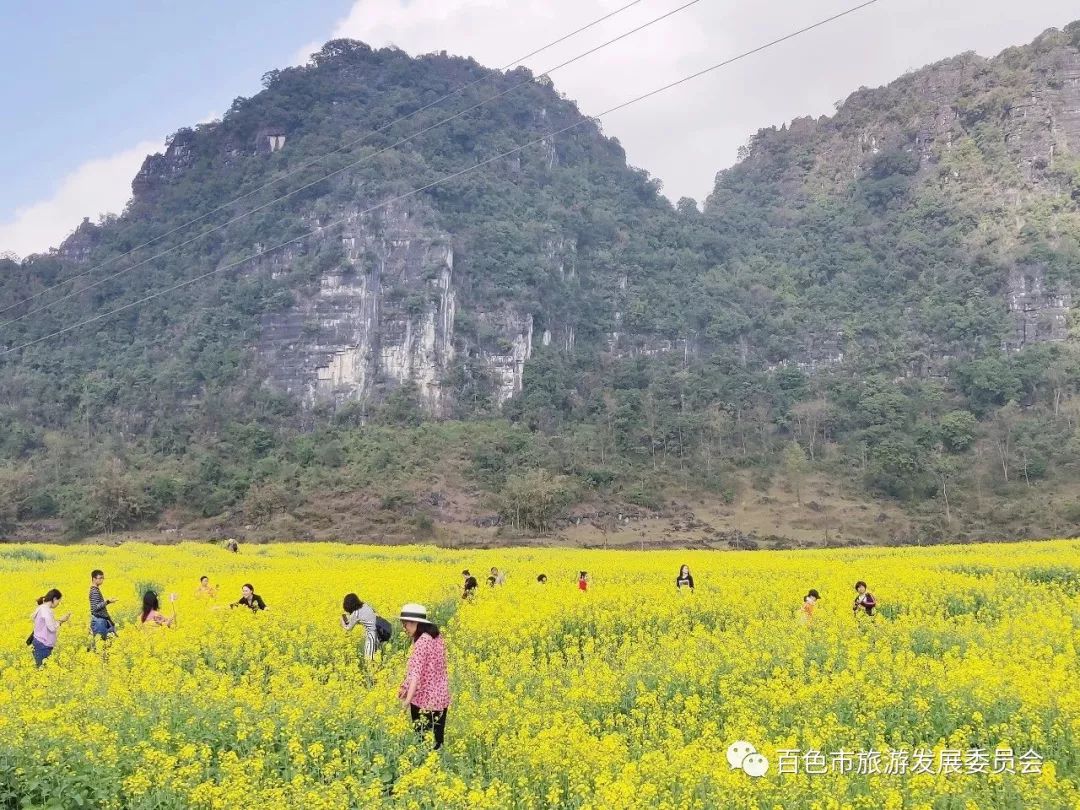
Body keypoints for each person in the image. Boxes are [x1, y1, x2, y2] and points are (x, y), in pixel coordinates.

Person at [397, 603, 451, 751]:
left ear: (415, 623)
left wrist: (407, 701)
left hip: (423, 701)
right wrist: (405, 686)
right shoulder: (437, 638)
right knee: (437, 743)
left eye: (405, 624)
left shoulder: (421, 642)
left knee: (422, 744)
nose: (404, 628)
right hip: (441, 698)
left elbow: (416, 674)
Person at [30, 589, 71, 667]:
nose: (58, 604)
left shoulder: (41, 608)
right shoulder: (45, 610)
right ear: (54, 599)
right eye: (58, 602)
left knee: (43, 670)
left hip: (41, 644)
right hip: (43, 645)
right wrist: (61, 621)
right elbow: (52, 628)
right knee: (43, 671)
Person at [341, 593, 380, 660]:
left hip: (372, 635)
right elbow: (371, 617)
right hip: (380, 632)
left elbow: (348, 628)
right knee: (375, 658)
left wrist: (342, 621)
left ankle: (371, 669)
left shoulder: (355, 613)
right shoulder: (365, 605)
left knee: (369, 659)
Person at [89, 569, 118, 643]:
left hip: (102, 620)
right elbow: (95, 608)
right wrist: (108, 601)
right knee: (101, 643)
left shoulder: (95, 590)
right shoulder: (94, 591)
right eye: (100, 578)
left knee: (107, 642)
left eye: (103, 578)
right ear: (94, 579)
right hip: (99, 621)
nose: (102, 580)